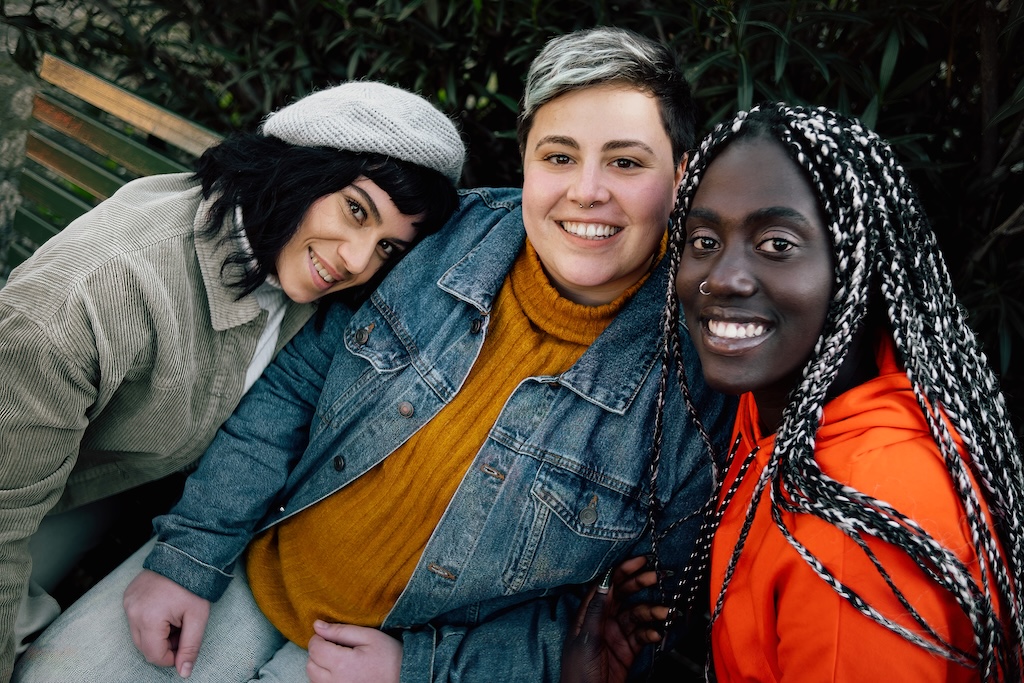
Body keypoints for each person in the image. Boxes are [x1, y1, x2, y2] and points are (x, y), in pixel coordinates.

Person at [12, 26, 735, 683]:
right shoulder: (444, 244)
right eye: (559, 155)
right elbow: (292, 392)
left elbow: (624, 621)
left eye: (626, 161)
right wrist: (189, 555)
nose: (587, 190)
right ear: (527, 163)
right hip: (247, 566)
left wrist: (428, 666)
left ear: (680, 179)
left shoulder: (693, 393)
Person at [0, 80, 465, 681]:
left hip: (104, 486)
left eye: (386, 248)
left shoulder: (300, 272)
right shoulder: (88, 298)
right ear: (296, 164)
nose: (356, 261)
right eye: (355, 208)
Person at [562, 102, 1024, 682]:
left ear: (860, 268)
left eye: (777, 244)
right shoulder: (784, 412)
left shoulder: (855, 538)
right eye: (703, 239)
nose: (721, 276)